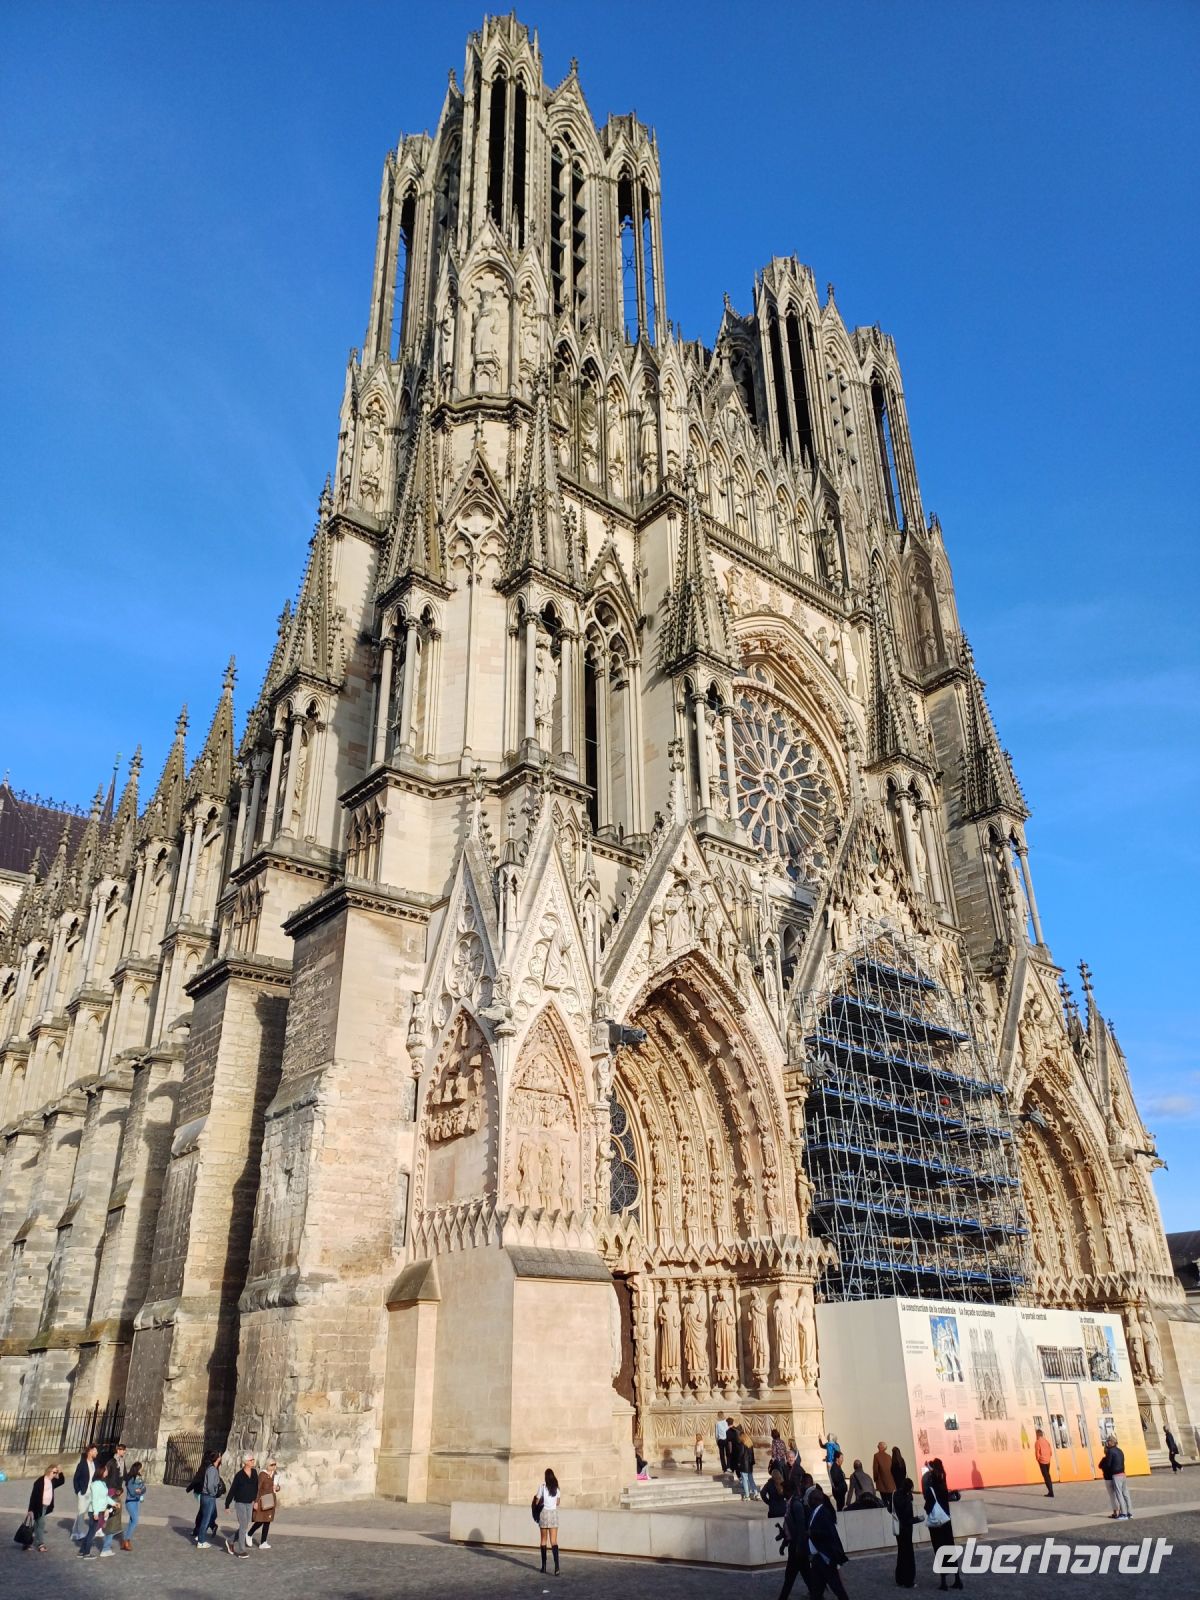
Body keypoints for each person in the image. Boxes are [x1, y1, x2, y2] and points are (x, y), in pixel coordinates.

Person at [922, 1458, 961, 1591]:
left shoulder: (931, 1486)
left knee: (939, 1549)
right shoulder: (943, 1483)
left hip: (937, 1524)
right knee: (950, 1548)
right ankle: (957, 1578)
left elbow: (928, 1505)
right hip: (946, 1520)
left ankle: (943, 1581)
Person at [806, 1483, 850, 1600]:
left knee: (837, 1587)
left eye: (809, 1499)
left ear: (815, 1500)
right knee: (816, 1590)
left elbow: (830, 1534)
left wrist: (813, 1533)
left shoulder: (824, 1513)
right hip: (817, 1558)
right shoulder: (814, 1512)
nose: (808, 1501)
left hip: (825, 1557)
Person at [777, 1473, 813, 1600]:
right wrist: (784, 1543)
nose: (781, 1492)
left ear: (788, 1491)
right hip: (796, 1547)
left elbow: (800, 1527)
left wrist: (798, 1546)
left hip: (797, 1548)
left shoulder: (796, 1505)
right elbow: (789, 1527)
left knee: (790, 1575)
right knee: (805, 1573)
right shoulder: (790, 1504)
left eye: (783, 1489)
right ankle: (816, 1595)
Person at [225, 1451, 259, 1557]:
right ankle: (241, 1550)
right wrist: (227, 1505)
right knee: (243, 1525)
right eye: (251, 1460)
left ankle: (230, 1540)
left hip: (250, 1503)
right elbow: (232, 1490)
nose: (253, 1461)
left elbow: (256, 1488)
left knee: (245, 1525)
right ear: (246, 1462)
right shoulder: (239, 1475)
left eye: (253, 1459)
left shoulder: (254, 1473)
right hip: (240, 1503)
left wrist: (256, 1501)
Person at [25, 1463, 64, 1553]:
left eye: (56, 1473)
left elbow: (61, 1481)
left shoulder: (52, 1481)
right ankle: (40, 1544)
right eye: (54, 1472)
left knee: (37, 1524)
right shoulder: (40, 1481)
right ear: (49, 1471)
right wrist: (30, 1510)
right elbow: (33, 1496)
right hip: (39, 1506)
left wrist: (60, 1472)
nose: (55, 1474)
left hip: (46, 1506)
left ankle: (27, 1541)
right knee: (41, 1524)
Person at [79, 1468, 115, 1560]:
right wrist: (95, 1513)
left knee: (91, 1532)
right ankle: (86, 1553)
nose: (107, 1471)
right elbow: (95, 1499)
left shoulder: (103, 1483)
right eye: (106, 1470)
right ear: (101, 1472)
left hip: (99, 1510)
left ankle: (82, 1551)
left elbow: (105, 1497)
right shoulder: (96, 1485)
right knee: (92, 1533)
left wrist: (114, 1503)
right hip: (95, 1511)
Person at [893, 1473, 919, 1589]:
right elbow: (908, 1518)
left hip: (898, 1528)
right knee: (909, 1555)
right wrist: (918, 1519)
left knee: (901, 1553)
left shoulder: (894, 1494)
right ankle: (909, 1580)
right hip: (906, 1530)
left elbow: (890, 1509)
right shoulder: (907, 1498)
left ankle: (900, 1578)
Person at [98, 1449, 126, 1556]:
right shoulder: (102, 1483)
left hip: (113, 1495)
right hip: (112, 1495)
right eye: (105, 1470)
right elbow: (102, 1497)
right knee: (110, 1522)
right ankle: (105, 1548)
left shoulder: (103, 1482)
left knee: (111, 1521)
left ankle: (106, 1546)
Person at [535, 1467, 561, 1575]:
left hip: (544, 1513)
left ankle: (544, 1566)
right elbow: (558, 1503)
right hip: (553, 1514)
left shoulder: (542, 1487)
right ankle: (557, 1567)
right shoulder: (557, 1489)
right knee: (554, 1541)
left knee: (543, 1540)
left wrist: (540, 1501)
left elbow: (537, 1501)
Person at [194, 1450, 222, 1547]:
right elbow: (210, 1485)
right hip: (208, 1496)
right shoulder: (212, 1469)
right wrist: (213, 1492)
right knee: (206, 1519)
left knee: (209, 1517)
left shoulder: (212, 1468)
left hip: (207, 1496)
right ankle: (201, 1541)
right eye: (220, 1455)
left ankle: (200, 1537)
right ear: (217, 1458)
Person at [250, 1457, 280, 1547]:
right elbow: (258, 1488)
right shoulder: (262, 1474)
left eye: (275, 1464)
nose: (274, 1467)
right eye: (272, 1465)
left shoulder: (275, 1474)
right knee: (261, 1520)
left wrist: (278, 1488)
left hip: (271, 1498)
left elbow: (277, 1486)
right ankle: (249, 1533)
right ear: (267, 1465)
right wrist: (255, 1501)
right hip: (263, 1499)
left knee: (268, 1520)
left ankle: (263, 1542)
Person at [71, 1444, 97, 1540]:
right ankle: (80, 1532)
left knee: (89, 1511)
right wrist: (78, 1490)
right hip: (83, 1491)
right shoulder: (82, 1464)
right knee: (81, 1512)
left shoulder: (95, 1464)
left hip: (92, 1492)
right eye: (95, 1451)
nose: (96, 1453)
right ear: (89, 1451)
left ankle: (76, 1531)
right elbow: (76, 1478)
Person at [1104, 1436, 1132, 1519]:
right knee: (1126, 1494)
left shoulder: (1110, 1451)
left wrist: (1105, 1467)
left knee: (1119, 1494)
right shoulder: (1120, 1450)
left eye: (1108, 1441)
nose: (1107, 1443)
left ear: (1111, 1442)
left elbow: (1108, 1464)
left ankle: (1123, 1514)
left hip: (1116, 1475)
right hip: (1123, 1474)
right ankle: (1130, 1513)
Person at [124, 1461, 147, 1550]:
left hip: (136, 1501)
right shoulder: (131, 1479)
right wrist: (138, 1490)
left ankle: (126, 1539)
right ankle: (127, 1540)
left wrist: (140, 1490)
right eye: (141, 1468)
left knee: (131, 1521)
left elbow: (144, 1488)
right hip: (130, 1502)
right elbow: (132, 1492)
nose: (142, 1470)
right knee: (135, 1521)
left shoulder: (139, 1478)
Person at [873, 1439, 896, 1510]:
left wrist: (875, 1478)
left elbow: (875, 1469)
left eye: (878, 1445)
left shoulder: (876, 1456)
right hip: (890, 1483)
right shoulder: (889, 1456)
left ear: (881, 1447)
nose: (877, 1446)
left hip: (881, 1482)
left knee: (884, 1501)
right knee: (891, 1500)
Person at [737, 1426, 759, 1501]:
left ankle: (747, 1495)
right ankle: (756, 1493)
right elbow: (752, 1455)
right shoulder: (750, 1444)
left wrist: (738, 1462)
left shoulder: (742, 1444)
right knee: (751, 1479)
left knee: (745, 1480)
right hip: (749, 1465)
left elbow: (741, 1454)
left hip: (743, 1464)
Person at [1033, 1427, 1054, 1496]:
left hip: (1042, 1461)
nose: (1036, 1436)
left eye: (1036, 1435)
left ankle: (1051, 1492)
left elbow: (1037, 1452)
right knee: (1048, 1475)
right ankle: (1051, 1491)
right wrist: (1048, 1457)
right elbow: (1050, 1452)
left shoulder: (1037, 1442)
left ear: (1038, 1435)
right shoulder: (1046, 1441)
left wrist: (1038, 1459)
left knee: (1045, 1476)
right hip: (1048, 1460)